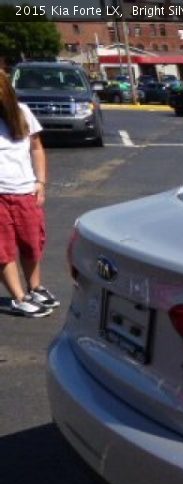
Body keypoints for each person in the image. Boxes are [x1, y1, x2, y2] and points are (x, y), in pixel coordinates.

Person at [0, 69, 56, 318]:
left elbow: (36, 147)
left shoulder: (22, 113)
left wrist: (41, 182)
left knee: (32, 244)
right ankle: (19, 297)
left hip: (25, 191)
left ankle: (35, 288)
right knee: (3, 249)